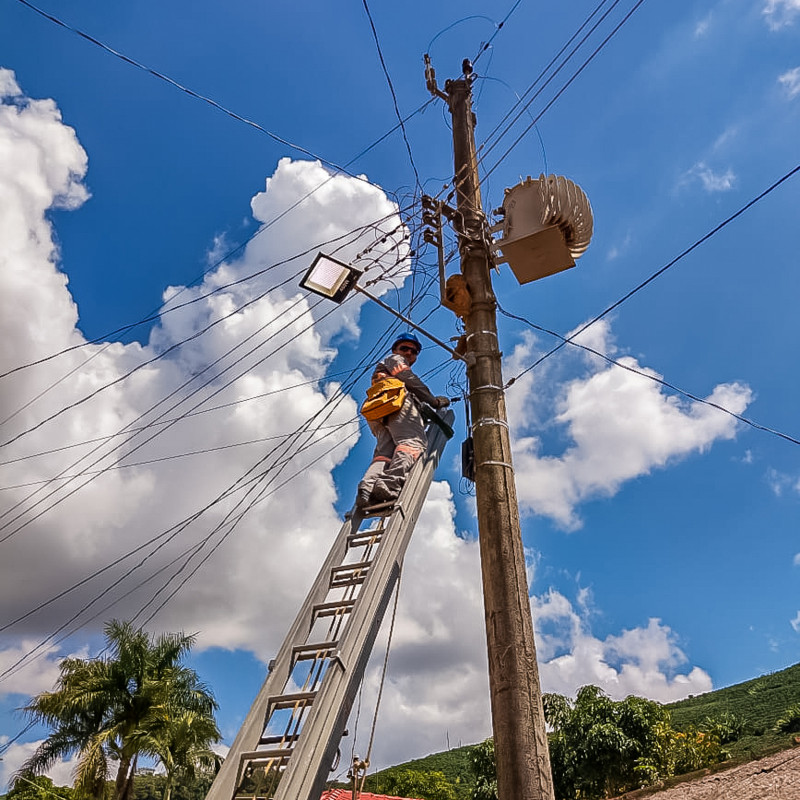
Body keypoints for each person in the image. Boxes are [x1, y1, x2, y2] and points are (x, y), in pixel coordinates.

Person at [356, 332, 450, 509]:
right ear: (395, 349)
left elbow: (406, 386)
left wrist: (421, 405)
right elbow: (409, 379)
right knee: (412, 443)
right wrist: (434, 401)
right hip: (395, 404)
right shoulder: (393, 360)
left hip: (378, 409)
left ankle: (367, 487)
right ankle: (389, 484)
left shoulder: (385, 371)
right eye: (404, 348)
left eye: (413, 351)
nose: (409, 353)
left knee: (385, 453)